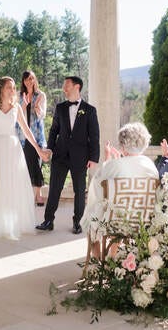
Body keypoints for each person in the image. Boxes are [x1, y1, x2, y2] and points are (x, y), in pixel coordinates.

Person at [0, 76, 51, 240]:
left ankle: (9, 224)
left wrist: (39, 150)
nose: (13, 90)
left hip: (13, 150)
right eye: (9, 87)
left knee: (11, 186)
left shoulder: (17, 108)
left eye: (14, 88)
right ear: (1, 90)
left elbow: (27, 132)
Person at [82, 122, 159, 258]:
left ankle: (100, 264)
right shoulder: (150, 165)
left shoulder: (114, 165)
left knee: (90, 219)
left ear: (123, 145)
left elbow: (97, 187)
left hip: (115, 222)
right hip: (142, 221)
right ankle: (113, 257)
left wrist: (109, 160)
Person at [36, 76, 100, 235]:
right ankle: (48, 220)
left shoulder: (90, 110)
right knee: (54, 188)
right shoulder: (60, 108)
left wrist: (93, 157)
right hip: (60, 154)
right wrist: (49, 149)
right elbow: (54, 131)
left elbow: (94, 135)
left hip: (81, 156)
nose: (64, 89)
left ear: (77, 87)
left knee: (79, 190)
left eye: (67, 86)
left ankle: (78, 221)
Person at [16, 70, 47, 206]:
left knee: (37, 163)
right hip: (22, 136)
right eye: (27, 79)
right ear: (23, 81)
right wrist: (25, 104)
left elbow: (42, 115)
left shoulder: (41, 95)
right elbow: (17, 115)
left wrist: (36, 106)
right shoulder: (18, 95)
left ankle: (38, 194)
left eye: (32, 78)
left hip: (37, 136)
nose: (29, 81)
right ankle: (28, 195)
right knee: (26, 164)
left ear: (35, 80)